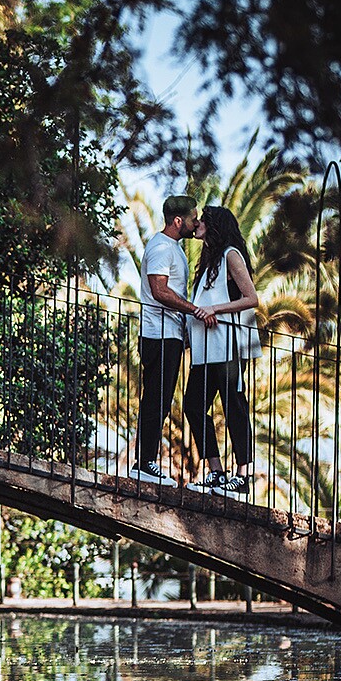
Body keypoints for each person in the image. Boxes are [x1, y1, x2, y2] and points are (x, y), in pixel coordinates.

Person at [185, 206, 262, 496]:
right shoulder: (209, 260)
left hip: (229, 345)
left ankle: (243, 475)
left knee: (234, 406)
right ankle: (216, 471)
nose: (197, 223)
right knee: (193, 406)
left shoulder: (231, 254)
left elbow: (251, 297)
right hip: (206, 349)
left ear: (215, 225)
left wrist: (214, 309)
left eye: (203, 219)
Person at [135, 194, 205, 486]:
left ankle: (145, 461)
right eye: (193, 218)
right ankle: (144, 463)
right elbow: (160, 290)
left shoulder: (173, 247)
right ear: (178, 221)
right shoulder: (162, 247)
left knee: (160, 399)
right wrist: (195, 311)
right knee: (156, 398)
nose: (196, 223)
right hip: (159, 333)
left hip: (171, 334)